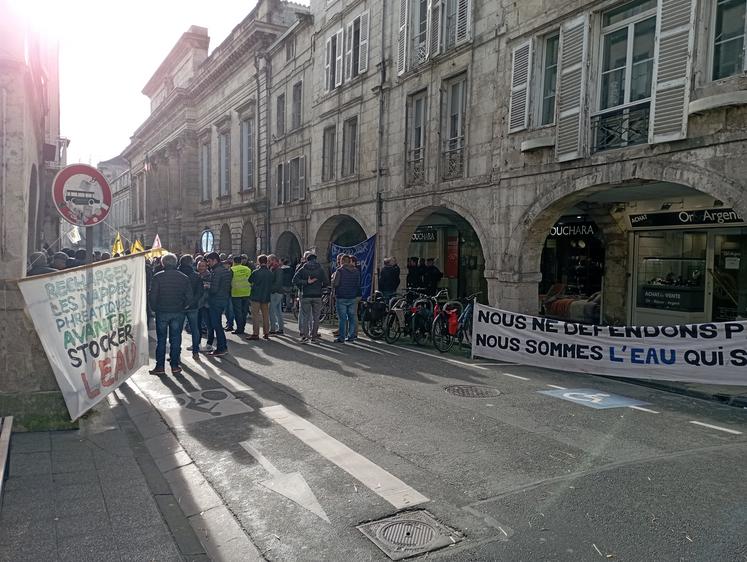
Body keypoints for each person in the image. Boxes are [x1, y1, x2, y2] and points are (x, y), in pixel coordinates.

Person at [148, 253, 193, 375]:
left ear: (163, 263)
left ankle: (160, 366)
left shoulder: (158, 277)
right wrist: (184, 306)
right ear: (176, 262)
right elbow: (189, 297)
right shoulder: (184, 277)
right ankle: (175, 365)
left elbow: (153, 295)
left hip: (162, 311)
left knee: (161, 340)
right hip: (178, 312)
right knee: (176, 339)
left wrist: (154, 308)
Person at [292, 251, 328, 343]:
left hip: (306, 295)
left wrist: (305, 282)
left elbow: (294, 280)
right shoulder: (320, 269)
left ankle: (305, 336)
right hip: (317, 295)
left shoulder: (303, 268)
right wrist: (320, 286)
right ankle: (314, 337)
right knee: (316, 317)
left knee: (305, 316)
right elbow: (326, 282)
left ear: (307, 260)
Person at [205, 252, 232, 356]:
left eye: (209, 261)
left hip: (216, 301)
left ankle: (221, 348)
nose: (208, 263)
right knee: (218, 325)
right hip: (223, 299)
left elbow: (214, 289)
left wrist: (207, 287)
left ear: (215, 260)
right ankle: (223, 347)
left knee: (216, 325)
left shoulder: (216, 271)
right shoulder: (225, 270)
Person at [179, 255, 203, 360]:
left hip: (179, 307)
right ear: (190, 263)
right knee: (194, 329)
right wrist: (192, 302)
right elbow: (200, 292)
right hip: (193, 306)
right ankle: (195, 352)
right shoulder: (196, 276)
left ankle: (176, 353)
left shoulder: (177, 274)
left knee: (177, 331)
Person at [334, 255, 361, 343]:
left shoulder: (339, 271)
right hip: (352, 296)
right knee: (352, 317)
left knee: (342, 318)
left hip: (341, 296)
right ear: (349, 261)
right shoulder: (356, 271)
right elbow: (358, 283)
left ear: (341, 261)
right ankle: (351, 336)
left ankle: (341, 337)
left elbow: (335, 283)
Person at [248, 254, 273, 340]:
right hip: (266, 296)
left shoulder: (256, 272)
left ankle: (256, 333)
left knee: (255, 315)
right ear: (266, 262)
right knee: (265, 316)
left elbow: (250, 280)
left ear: (259, 262)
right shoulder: (270, 273)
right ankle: (266, 333)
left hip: (256, 296)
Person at [230, 255, 252, 335]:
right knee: (244, 311)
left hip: (236, 293)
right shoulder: (247, 269)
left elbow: (229, 281)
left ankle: (239, 328)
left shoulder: (232, 269)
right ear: (241, 261)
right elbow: (251, 280)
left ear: (234, 262)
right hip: (246, 292)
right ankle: (242, 327)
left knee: (237, 312)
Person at [196, 259, 214, 351]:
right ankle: (197, 344)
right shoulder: (196, 275)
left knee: (209, 325)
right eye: (199, 265)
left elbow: (208, 291)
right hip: (198, 304)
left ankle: (209, 344)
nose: (201, 267)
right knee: (197, 325)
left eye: (203, 266)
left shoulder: (210, 276)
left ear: (206, 267)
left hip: (206, 304)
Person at [269, 254, 285, 335]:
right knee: (278, 311)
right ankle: (280, 328)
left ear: (274, 260)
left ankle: (273, 329)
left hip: (276, 292)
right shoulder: (274, 268)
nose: (268, 262)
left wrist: (272, 290)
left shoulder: (278, 269)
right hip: (278, 292)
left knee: (271, 311)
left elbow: (278, 282)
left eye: (269, 260)